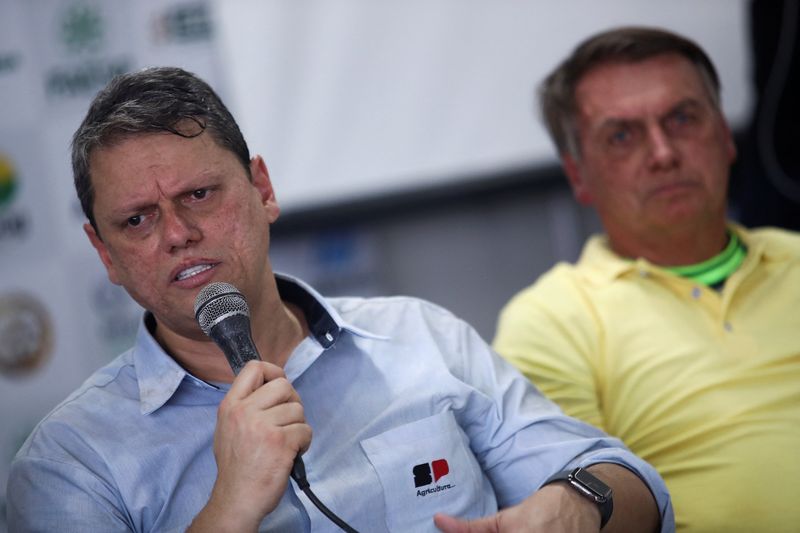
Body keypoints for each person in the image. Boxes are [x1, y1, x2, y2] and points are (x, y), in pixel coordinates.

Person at [7, 66, 672, 533]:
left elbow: (627, 480)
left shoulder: (418, 336)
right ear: (106, 255)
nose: (177, 233)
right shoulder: (69, 460)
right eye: (138, 220)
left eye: (199, 196)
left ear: (262, 189)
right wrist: (230, 507)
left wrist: (580, 504)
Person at [493, 26, 800, 532]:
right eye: (622, 136)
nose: (663, 153)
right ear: (578, 175)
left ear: (725, 135)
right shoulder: (551, 320)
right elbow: (574, 509)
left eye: (682, 118)